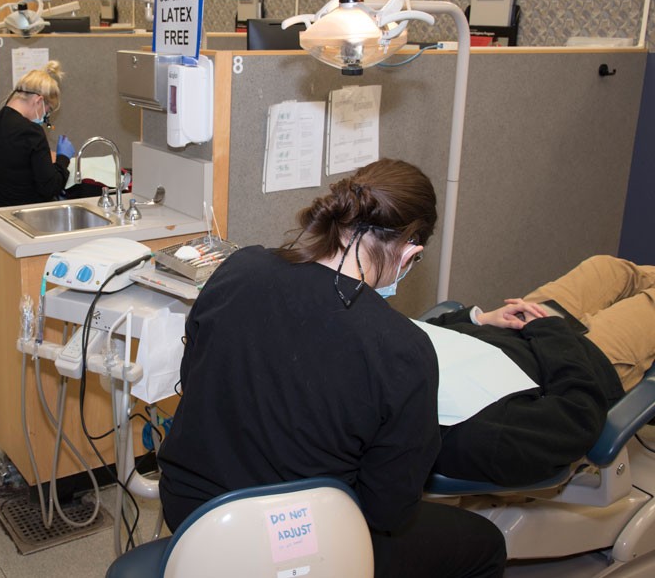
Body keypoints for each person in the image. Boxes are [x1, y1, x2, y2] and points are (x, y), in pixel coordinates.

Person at [156, 159, 507, 578]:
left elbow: (194, 379)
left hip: (193, 516)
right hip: (295, 543)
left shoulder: (237, 268)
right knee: (484, 545)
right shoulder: (403, 350)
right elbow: (388, 512)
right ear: (411, 252)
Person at [426, 254, 653, 486]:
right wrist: (550, 331)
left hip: (519, 326)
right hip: (584, 359)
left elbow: (423, 329)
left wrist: (480, 319)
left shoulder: (391, 361)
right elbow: (577, 417)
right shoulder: (483, 438)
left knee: (609, 267)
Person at [0, 60, 75, 209]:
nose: (45, 119)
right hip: (20, 218)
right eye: (47, 112)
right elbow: (50, 187)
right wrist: (63, 158)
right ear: (38, 101)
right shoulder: (32, 133)